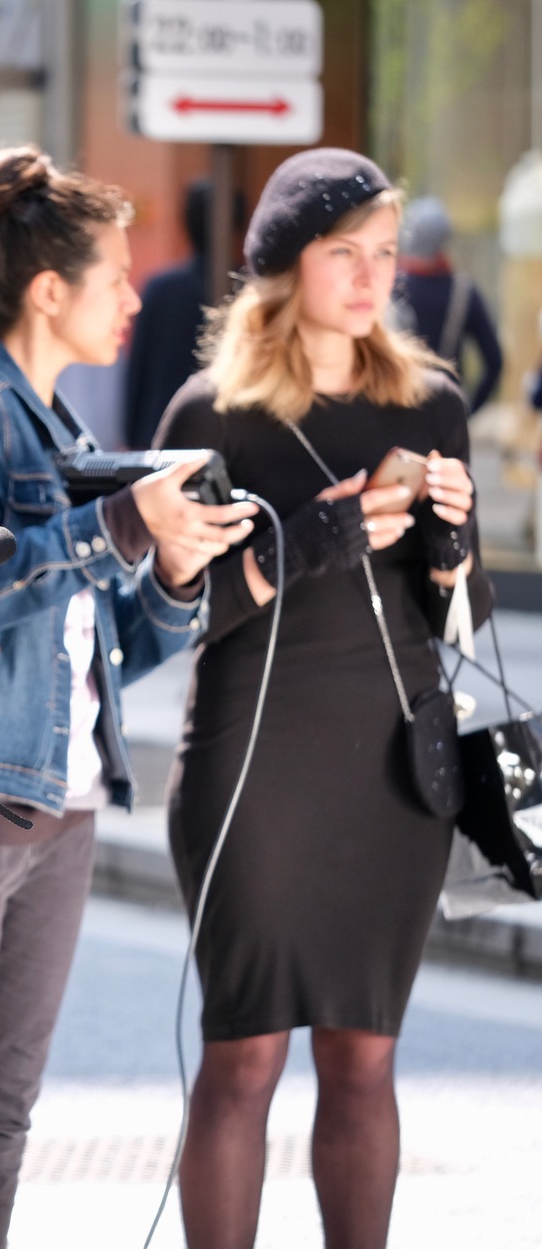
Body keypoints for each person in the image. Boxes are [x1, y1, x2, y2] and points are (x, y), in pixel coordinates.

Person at [0, 146, 258, 1249]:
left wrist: (180, 570)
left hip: (61, 804)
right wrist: (120, 525)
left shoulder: (66, 433)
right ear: (47, 289)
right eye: (115, 277)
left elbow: (102, 643)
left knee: (1, 1123)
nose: (133, 298)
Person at [152, 148, 494, 1249]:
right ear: (281, 263)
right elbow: (170, 612)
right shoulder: (213, 412)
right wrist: (303, 544)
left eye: (382, 254)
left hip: (392, 769)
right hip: (253, 768)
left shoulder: (429, 400)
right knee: (242, 1049)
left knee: (363, 1052)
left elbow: (464, 618)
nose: (368, 275)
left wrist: (447, 545)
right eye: (341, 252)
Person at [124, 179, 244, 450]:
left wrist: (133, 434)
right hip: (234, 437)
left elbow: (139, 370)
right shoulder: (252, 292)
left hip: (157, 431)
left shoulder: (161, 288)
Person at [392, 194, 502, 413]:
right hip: (448, 413)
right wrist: (469, 409)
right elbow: (494, 361)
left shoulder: (389, 286)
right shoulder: (463, 292)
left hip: (397, 408)